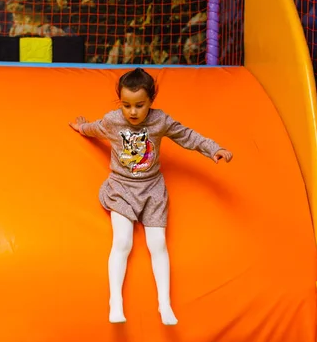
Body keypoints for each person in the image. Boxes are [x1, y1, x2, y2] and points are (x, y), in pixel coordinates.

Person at [69, 68, 233, 326]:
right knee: (122, 242)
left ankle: (165, 305)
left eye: (139, 105)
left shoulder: (160, 121)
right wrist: (81, 127)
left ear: (151, 102)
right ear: (119, 102)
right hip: (121, 188)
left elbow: (187, 135)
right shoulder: (114, 120)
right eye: (126, 105)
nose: (132, 112)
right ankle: (116, 303)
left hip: (152, 189)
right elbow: (96, 129)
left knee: (157, 244)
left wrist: (214, 149)